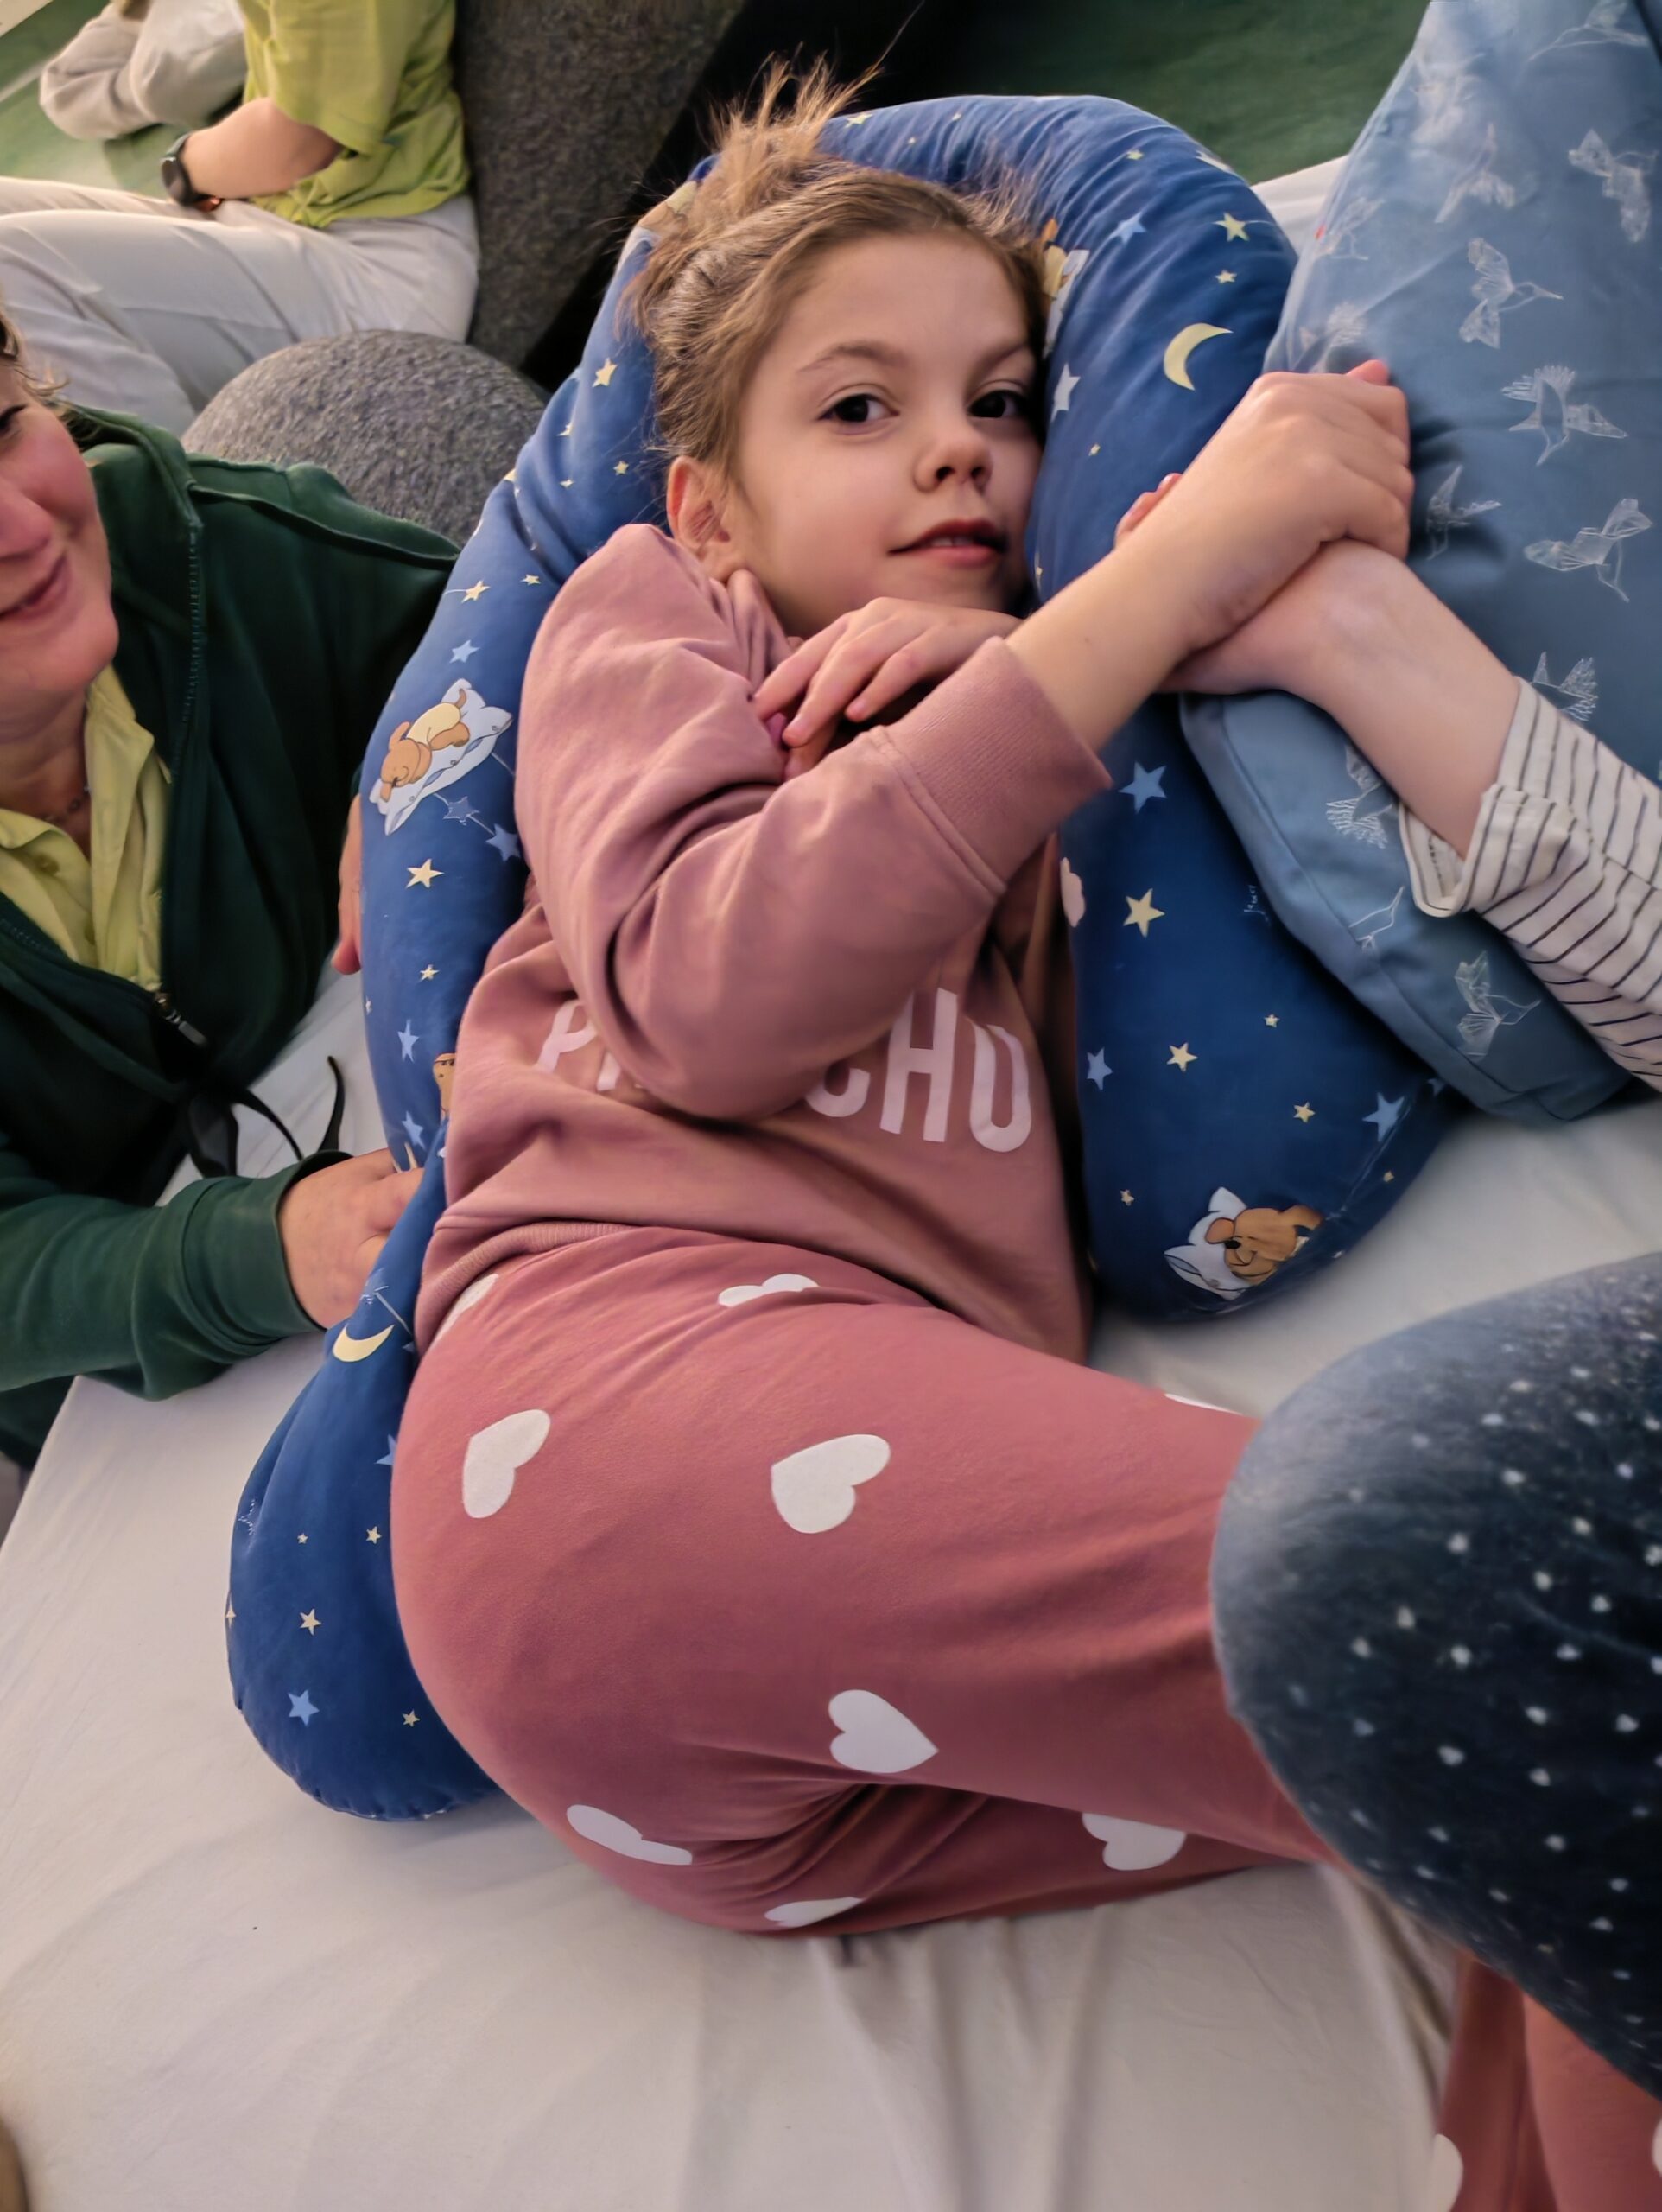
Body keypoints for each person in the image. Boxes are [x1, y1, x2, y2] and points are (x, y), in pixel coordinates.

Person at [385, 63, 1655, 2211]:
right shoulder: (658, 615)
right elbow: (705, 988)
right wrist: (1152, 590)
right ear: (709, 505)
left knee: (1488, 1803)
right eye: (855, 408)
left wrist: (1030, 645)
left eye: (998, 402)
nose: (957, 448)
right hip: (615, 1415)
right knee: (1503, 1627)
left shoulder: (1002, 725)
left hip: (789, 1734)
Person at [0, 308, 445, 1473]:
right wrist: (263, 1254)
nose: (23, 528)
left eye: (2, 429)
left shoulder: (219, 551)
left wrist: (433, 752)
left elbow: (539, 622)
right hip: (117, 1408)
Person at [0, 0, 474, 434]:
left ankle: (187, 491)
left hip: (379, 268)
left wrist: (182, 169)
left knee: (8, 270)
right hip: (278, 215)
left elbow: (295, 147)